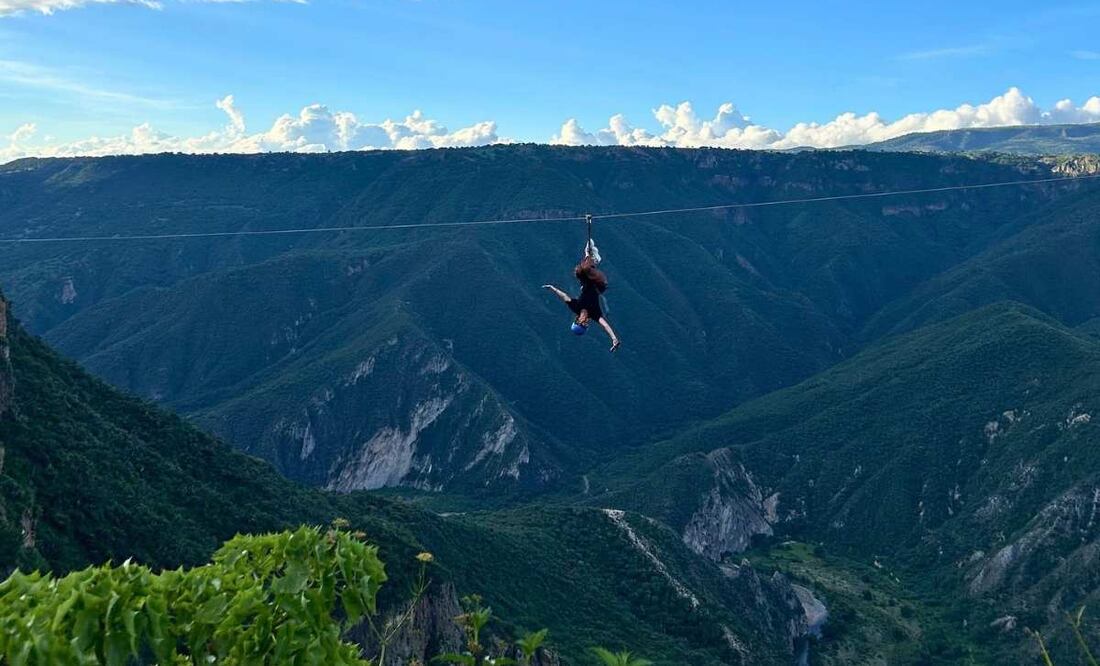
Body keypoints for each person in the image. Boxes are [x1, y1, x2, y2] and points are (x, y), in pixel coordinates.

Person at [543, 250, 621, 352]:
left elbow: (564, 297)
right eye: (585, 326)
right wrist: (614, 339)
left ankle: (589, 255)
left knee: (579, 271)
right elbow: (605, 325)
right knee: (586, 268)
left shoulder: (576, 307)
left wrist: (552, 288)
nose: (585, 323)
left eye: (582, 324)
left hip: (587, 281)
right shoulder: (595, 314)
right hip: (599, 284)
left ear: (577, 320)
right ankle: (591, 258)